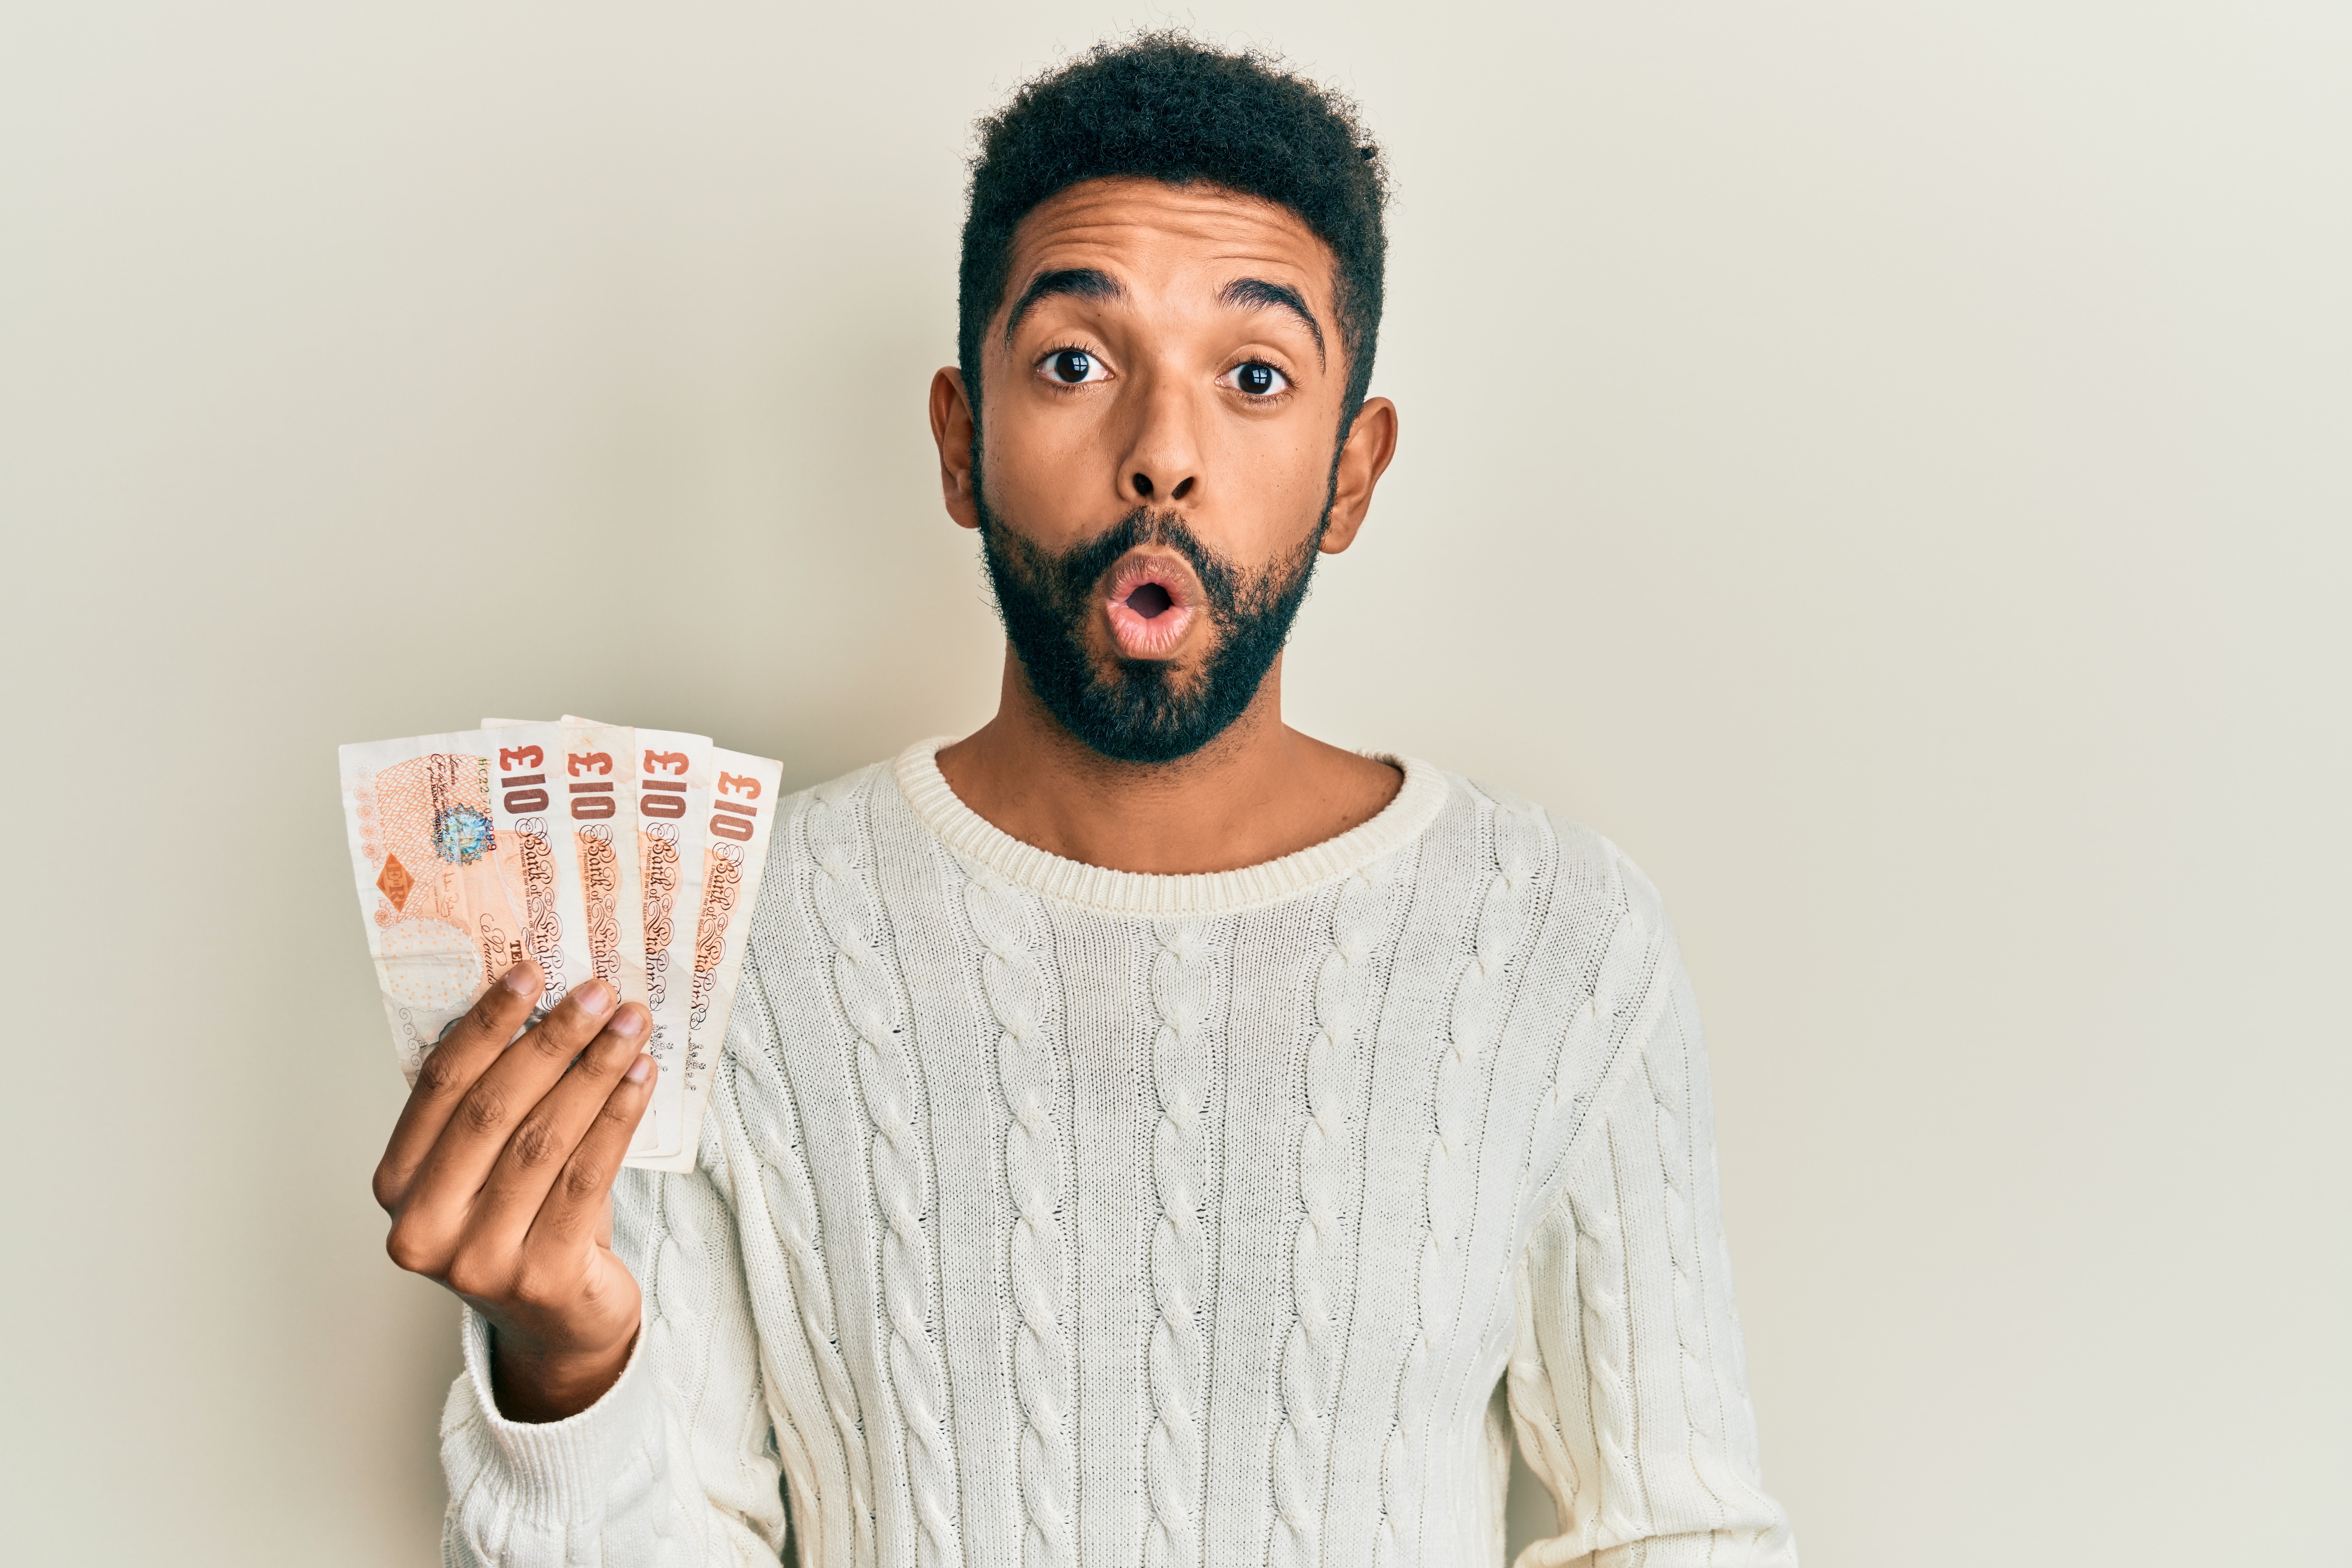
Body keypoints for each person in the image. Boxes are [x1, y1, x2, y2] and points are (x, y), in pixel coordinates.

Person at [371, 34, 1799, 1567]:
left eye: (1255, 378)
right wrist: (568, 1374)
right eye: (1074, 363)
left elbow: (1677, 1535)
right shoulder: (731, 942)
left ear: (1352, 476)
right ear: (960, 442)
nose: (1161, 458)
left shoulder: (1562, 942)